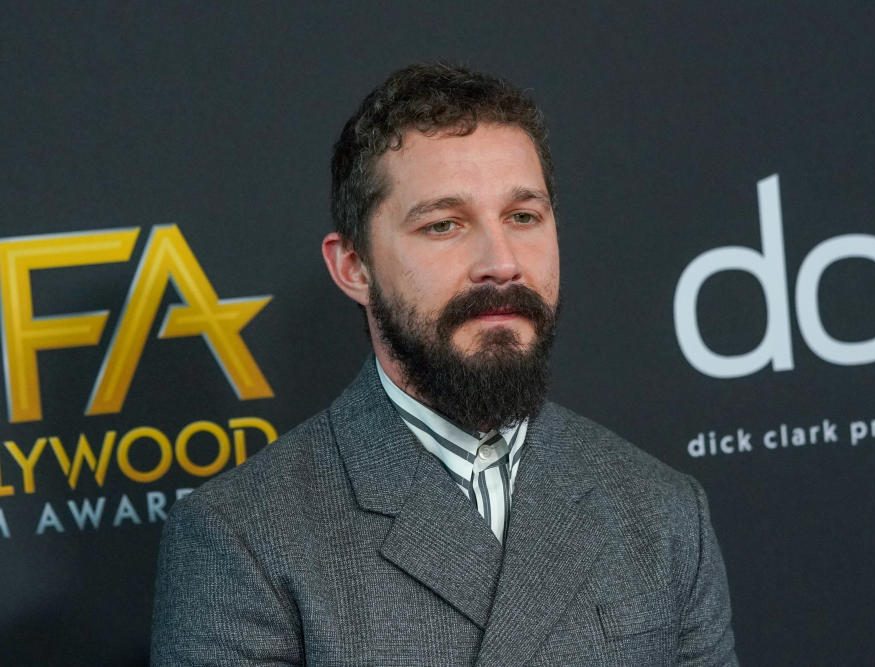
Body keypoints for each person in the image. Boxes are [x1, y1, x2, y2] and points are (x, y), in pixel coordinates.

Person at [151, 62, 738, 666]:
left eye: (523, 217)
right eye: (443, 225)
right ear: (353, 267)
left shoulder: (662, 512)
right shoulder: (242, 537)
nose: (501, 263)